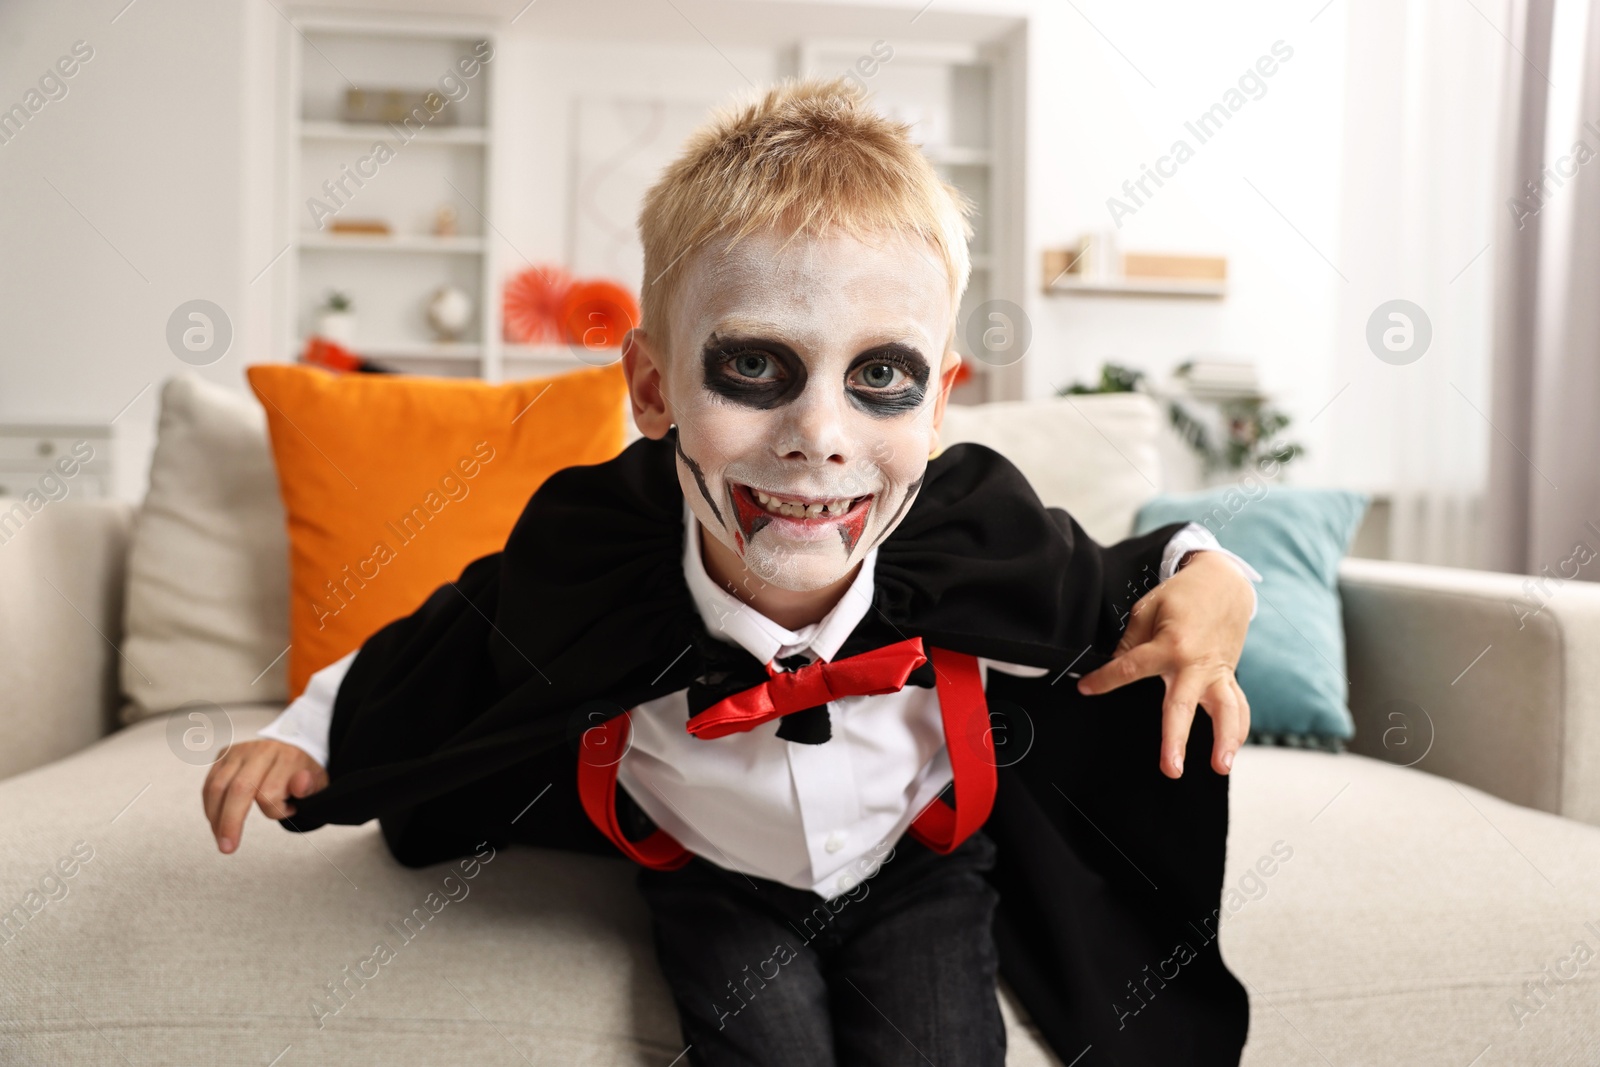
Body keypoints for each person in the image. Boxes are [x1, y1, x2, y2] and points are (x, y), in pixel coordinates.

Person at [202, 78, 1260, 1066]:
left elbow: (1121, 578)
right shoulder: (595, 545)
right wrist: (303, 733)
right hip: (715, 872)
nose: (818, 437)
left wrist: (1216, 576)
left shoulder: (966, 525)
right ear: (654, 389)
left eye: (879, 375)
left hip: (919, 861)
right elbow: (449, 644)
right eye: (754, 365)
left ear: (937, 404)